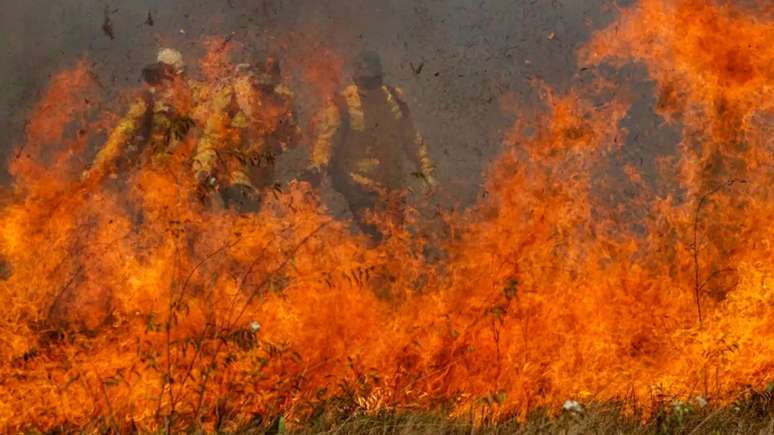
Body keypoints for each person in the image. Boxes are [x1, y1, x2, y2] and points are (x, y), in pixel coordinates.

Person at [308, 50, 436, 241]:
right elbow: (326, 142)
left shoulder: (395, 99)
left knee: (394, 242)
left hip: (393, 187)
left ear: (381, 78)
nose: (368, 86)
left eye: (373, 81)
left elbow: (412, 139)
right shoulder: (342, 104)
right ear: (355, 79)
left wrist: (427, 171)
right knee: (373, 237)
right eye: (364, 81)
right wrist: (317, 165)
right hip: (358, 187)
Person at [193, 55, 299, 211]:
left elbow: (291, 139)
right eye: (260, 85)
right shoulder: (233, 98)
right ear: (252, 79)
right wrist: (204, 167)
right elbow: (211, 138)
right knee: (244, 207)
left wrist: (289, 130)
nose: (264, 91)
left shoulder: (281, 102)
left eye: (269, 87)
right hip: (234, 172)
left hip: (263, 176)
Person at [83, 48, 194, 184]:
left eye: (180, 74)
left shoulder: (189, 99)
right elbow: (122, 133)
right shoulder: (148, 101)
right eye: (171, 72)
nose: (177, 79)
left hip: (181, 173)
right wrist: (98, 166)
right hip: (153, 175)